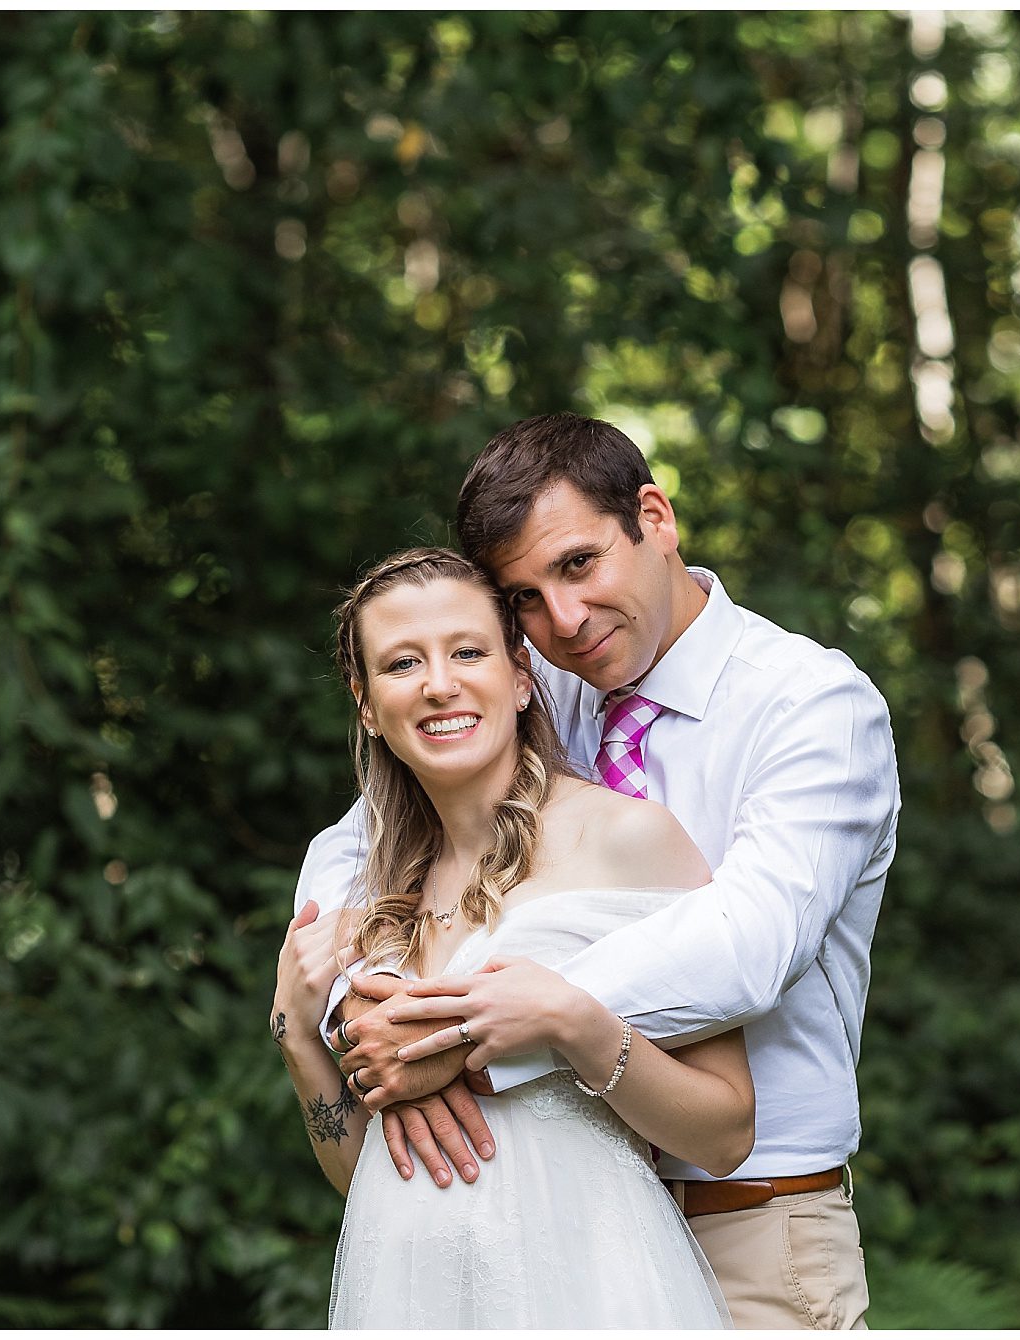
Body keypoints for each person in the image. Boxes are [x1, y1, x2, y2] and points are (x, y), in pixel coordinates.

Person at [299, 413, 902, 1329]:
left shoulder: (809, 704)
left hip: (749, 1219)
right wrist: (349, 992)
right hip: (540, 1226)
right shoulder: (543, 677)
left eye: (578, 565)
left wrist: (467, 1030)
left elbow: (747, 945)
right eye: (526, 599)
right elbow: (364, 845)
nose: (564, 619)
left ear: (654, 518)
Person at [272, 546, 752, 1328]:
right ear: (366, 704)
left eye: (467, 652)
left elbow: (726, 1130)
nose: (439, 684)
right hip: (408, 1290)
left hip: (588, 1286)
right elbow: (368, 1172)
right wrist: (297, 1036)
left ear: (521, 674)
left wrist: (575, 1023)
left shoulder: (627, 841)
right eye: (402, 663)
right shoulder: (361, 898)